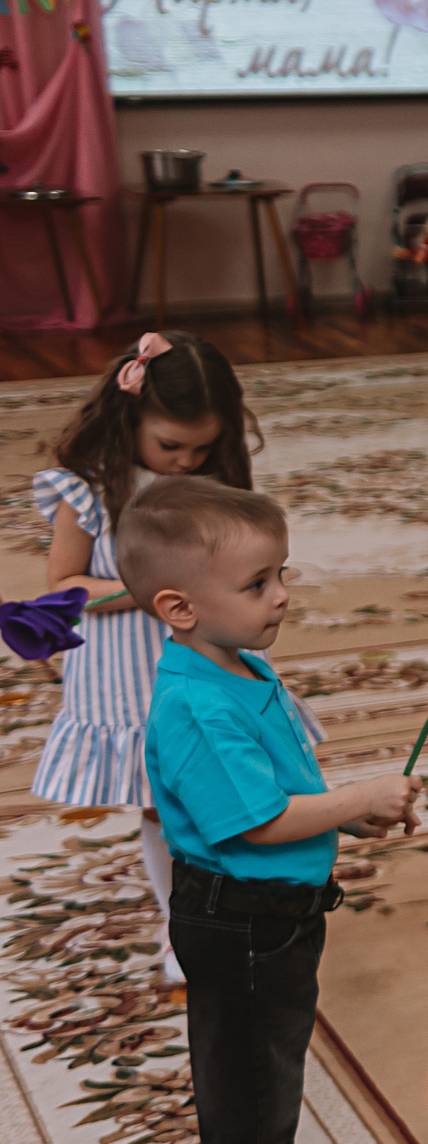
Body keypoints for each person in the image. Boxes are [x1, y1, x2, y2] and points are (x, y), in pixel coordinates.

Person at [128, 478, 421, 1144]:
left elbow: (279, 789)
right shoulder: (196, 704)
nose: (282, 596)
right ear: (179, 608)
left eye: (281, 573)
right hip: (238, 915)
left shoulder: (240, 667)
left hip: (270, 908)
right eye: (258, 583)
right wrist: (358, 793)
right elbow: (256, 823)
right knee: (252, 1061)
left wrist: (347, 815)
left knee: (272, 1044)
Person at [34, 332, 257, 986]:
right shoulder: (88, 490)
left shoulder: (207, 481)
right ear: (129, 416)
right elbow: (63, 587)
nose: (186, 460)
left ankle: (225, 905)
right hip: (127, 676)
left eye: (202, 447)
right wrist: (151, 593)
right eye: (170, 445)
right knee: (164, 804)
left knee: (218, 795)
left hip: (203, 662)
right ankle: (179, 924)